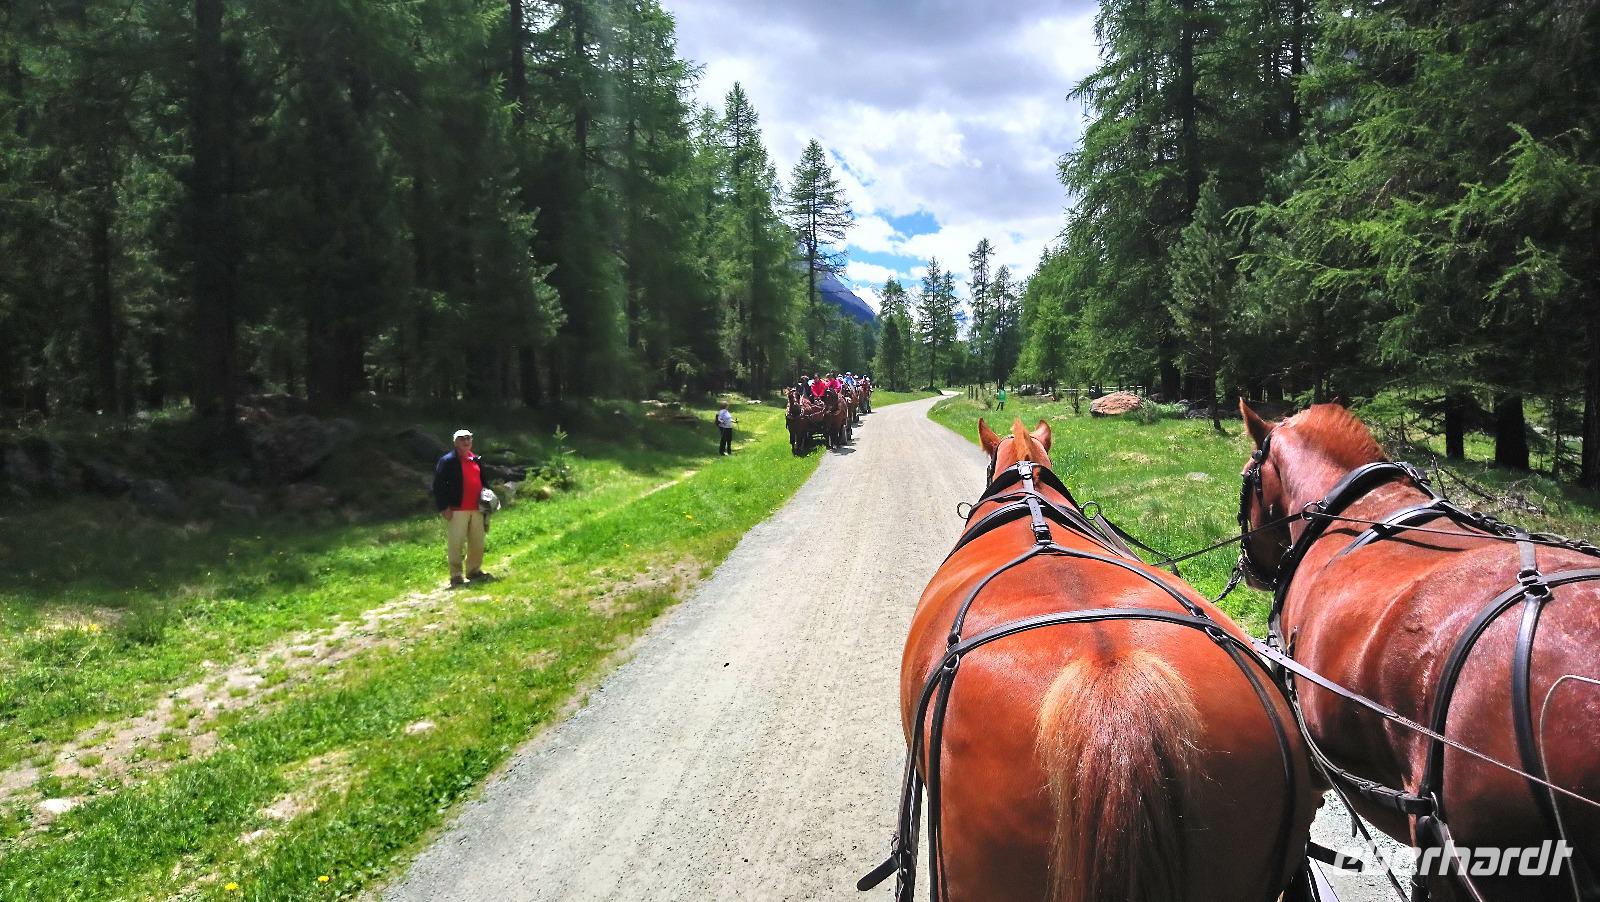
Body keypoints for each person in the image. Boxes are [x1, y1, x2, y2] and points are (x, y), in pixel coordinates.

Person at [432, 428, 492, 587]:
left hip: (478, 508)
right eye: (462, 439)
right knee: (456, 543)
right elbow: (438, 486)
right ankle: (456, 575)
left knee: (477, 542)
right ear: (455, 442)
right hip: (457, 509)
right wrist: (444, 507)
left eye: (468, 438)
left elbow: (484, 482)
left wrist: (488, 501)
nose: (466, 441)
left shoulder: (476, 459)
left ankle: (474, 571)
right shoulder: (447, 461)